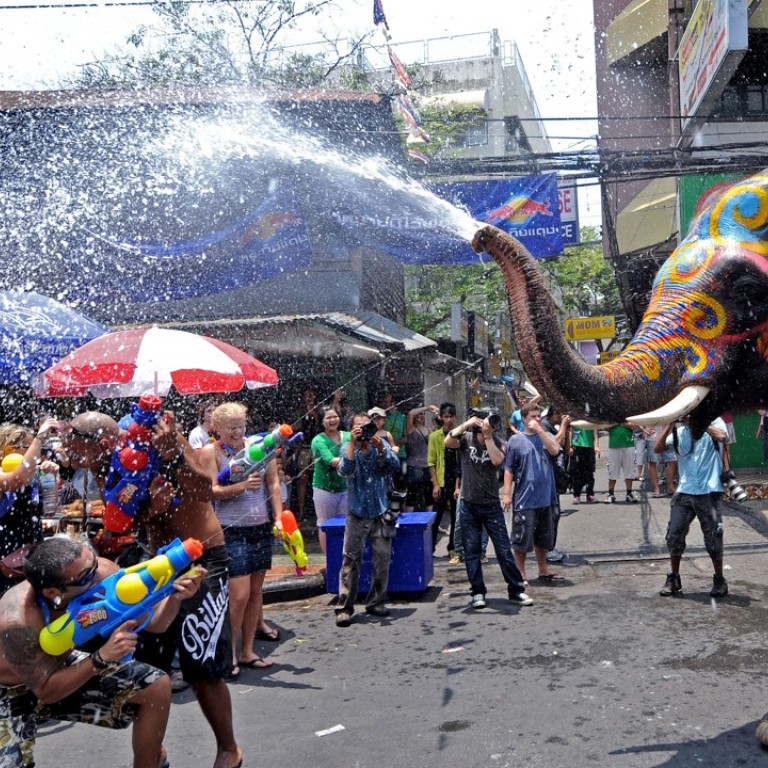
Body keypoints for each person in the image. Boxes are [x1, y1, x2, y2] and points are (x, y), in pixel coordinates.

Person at [61, 411, 244, 768]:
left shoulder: (159, 439)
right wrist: (149, 512)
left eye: (74, 447)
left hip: (202, 559)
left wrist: (174, 455)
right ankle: (151, 754)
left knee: (201, 666)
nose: (69, 455)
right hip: (155, 562)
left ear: (98, 441)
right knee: (149, 668)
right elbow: (128, 519)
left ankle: (229, 748)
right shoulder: (107, 466)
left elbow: (206, 489)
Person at [0, 534, 203, 768]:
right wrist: (100, 658)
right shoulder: (17, 622)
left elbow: (157, 623)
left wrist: (174, 597)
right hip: (12, 688)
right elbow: (46, 692)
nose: (97, 574)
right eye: (85, 576)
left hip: (60, 666)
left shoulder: (101, 571)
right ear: (52, 592)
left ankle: (150, 760)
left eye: (93, 562)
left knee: (155, 686)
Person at [199, 402, 283, 675]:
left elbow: (273, 483)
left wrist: (279, 517)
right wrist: (241, 487)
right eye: (230, 427)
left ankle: (247, 651)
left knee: (256, 593)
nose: (237, 431)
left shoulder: (259, 446)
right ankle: (229, 654)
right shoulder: (211, 453)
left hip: (260, 527)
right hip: (230, 530)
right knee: (239, 596)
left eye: (241, 426)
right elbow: (211, 491)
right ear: (217, 428)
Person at [445, 410, 532, 609]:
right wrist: (467, 424)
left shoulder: (499, 441)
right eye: (486, 421)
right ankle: (477, 592)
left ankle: (516, 590)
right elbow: (447, 442)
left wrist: (487, 436)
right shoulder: (465, 439)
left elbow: (496, 461)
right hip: (468, 504)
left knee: (503, 549)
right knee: (472, 550)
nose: (489, 425)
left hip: (491, 504)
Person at [334, 412, 400, 627]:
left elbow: (394, 467)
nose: (363, 430)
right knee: (351, 560)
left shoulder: (381, 444)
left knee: (382, 559)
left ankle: (376, 602)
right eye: (358, 427)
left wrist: (381, 449)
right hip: (357, 512)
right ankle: (345, 607)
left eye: (366, 426)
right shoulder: (347, 447)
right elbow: (345, 470)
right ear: (351, 429)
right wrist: (354, 444)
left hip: (380, 511)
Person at [654, 416, 729, 598]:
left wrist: (701, 423)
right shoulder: (681, 432)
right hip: (685, 490)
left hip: (709, 490)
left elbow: (722, 436)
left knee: (713, 536)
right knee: (674, 534)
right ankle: (674, 578)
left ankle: (719, 579)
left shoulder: (715, 422)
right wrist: (670, 424)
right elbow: (658, 448)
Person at [503, 403, 565, 585]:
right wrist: (507, 494)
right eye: (533, 417)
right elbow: (508, 469)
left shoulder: (546, 436)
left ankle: (543, 569)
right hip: (525, 498)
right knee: (522, 538)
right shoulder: (516, 440)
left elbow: (554, 450)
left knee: (543, 538)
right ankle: (520, 573)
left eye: (539, 416)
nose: (537, 419)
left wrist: (540, 431)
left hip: (546, 496)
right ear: (523, 419)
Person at [0, 418, 59, 594]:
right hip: (4, 563)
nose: (37, 455)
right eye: (29, 448)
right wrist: (39, 437)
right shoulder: (6, 474)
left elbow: (50, 509)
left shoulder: (30, 475)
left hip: (29, 558)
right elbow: (16, 480)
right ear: (9, 449)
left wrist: (50, 480)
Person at [310, 405, 349, 555]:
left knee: (345, 523)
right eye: (328, 417)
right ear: (321, 421)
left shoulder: (348, 436)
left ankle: (343, 556)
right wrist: (353, 458)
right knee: (325, 524)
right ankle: (330, 559)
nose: (332, 420)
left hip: (344, 488)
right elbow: (331, 461)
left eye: (335, 416)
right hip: (324, 489)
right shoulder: (318, 440)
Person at [428, 402, 460, 558]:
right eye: (445, 417)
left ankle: (452, 547)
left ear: (455, 417)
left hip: (456, 481)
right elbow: (431, 462)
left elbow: (460, 463)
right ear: (440, 417)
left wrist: (458, 485)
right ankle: (430, 547)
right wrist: (435, 484)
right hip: (441, 481)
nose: (448, 420)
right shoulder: (435, 436)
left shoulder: (459, 434)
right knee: (436, 515)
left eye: (451, 416)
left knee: (456, 516)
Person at [404, 404, 438, 512]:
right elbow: (410, 413)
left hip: (427, 465)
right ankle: (409, 520)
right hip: (414, 466)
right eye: (419, 414)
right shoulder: (411, 429)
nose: (421, 416)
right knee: (412, 493)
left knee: (429, 493)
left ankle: (431, 520)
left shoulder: (429, 430)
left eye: (423, 414)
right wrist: (427, 408)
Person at [294, 387, 322, 521]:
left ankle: (318, 510)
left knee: (319, 479)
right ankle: (301, 511)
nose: (309, 398)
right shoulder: (301, 411)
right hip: (305, 448)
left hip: (317, 447)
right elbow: (296, 427)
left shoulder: (319, 410)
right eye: (307, 395)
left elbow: (320, 425)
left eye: (311, 395)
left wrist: (313, 411)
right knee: (302, 479)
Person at [606, 423, 638, 503]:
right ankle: (611, 494)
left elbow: (633, 426)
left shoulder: (629, 413)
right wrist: (617, 421)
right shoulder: (611, 414)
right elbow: (606, 426)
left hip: (628, 444)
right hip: (614, 444)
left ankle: (629, 493)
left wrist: (621, 422)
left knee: (629, 470)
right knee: (613, 469)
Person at [569, 425, 599, 504]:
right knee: (577, 472)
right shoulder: (575, 416)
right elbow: (570, 430)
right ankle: (576, 495)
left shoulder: (590, 415)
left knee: (590, 471)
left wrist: (596, 445)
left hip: (589, 446)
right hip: (577, 445)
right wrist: (570, 446)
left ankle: (590, 495)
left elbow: (595, 430)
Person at [380, 392, 406, 464]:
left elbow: (406, 438)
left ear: (394, 403)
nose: (388, 404)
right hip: (385, 453)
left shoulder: (402, 417)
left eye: (390, 402)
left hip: (400, 453)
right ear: (382, 403)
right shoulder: (379, 418)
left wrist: (393, 444)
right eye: (385, 402)